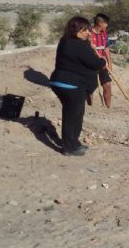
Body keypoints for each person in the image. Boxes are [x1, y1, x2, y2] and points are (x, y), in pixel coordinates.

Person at [49, 17, 107, 156]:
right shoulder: (79, 46)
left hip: (59, 82)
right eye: (85, 29)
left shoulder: (64, 41)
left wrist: (89, 46)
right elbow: (95, 64)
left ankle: (74, 143)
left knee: (76, 114)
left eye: (88, 29)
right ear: (76, 31)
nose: (88, 32)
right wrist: (102, 60)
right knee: (72, 116)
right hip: (71, 86)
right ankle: (68, 147)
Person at [89, 13, 113, 107]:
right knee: (90, 87)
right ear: (100, 23)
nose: (107, 25)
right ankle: (90, 107)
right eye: (105, 23)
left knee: (107, 85)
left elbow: (106, 48)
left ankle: (108, 107)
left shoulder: (104, 33)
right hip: (90, 64)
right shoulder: (88, 33)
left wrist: (110, 63)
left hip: (102, 64)